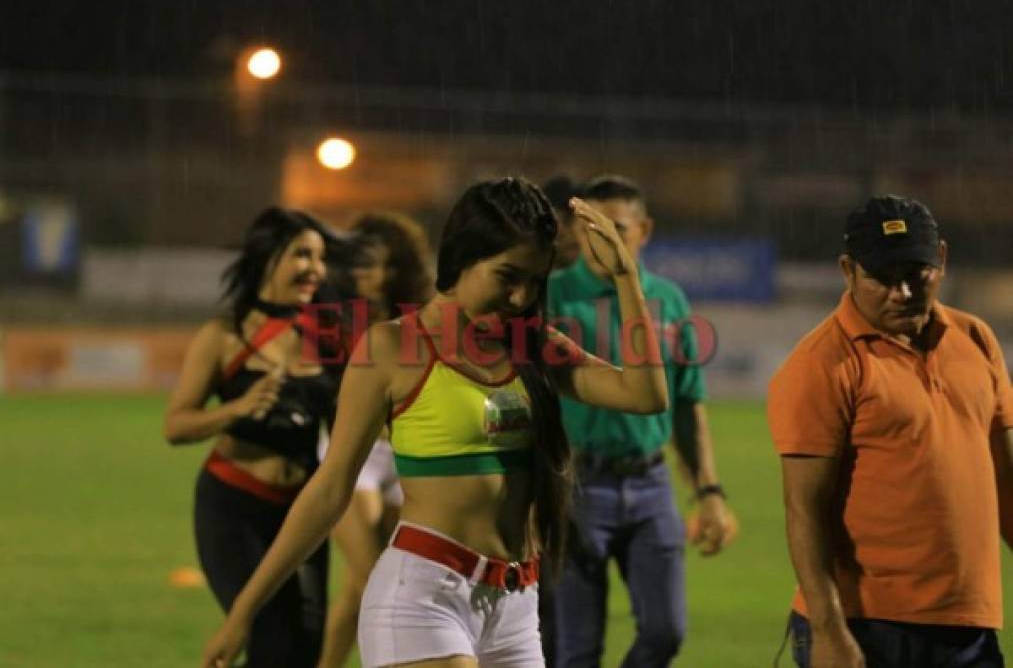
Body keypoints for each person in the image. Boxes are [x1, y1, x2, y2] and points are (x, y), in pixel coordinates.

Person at [200, 176, 670, 668]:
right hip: (424, 601)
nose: (519, 297)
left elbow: (645, 394)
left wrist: (625, 279)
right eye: (507, 276)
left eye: (534, 282)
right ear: (463, 256)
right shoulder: (391, 348)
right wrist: (244, 614)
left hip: (514, 609)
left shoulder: (533, 344)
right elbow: (329, 489)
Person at [767, 195, 1013, 668]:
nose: (901, 293)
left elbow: (1008, 484)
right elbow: (805, 512)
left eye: (915, 274)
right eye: (882, 278)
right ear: (848, 270)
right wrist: (828, 629)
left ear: (940, 258)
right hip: (868, 625)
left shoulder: (976, 338)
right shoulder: (822, 365)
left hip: (970, 626)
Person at [547, 175, 734, 668]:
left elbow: (689, 404)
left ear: (644, 230)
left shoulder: (668, 299)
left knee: (666, 632)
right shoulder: (552, 295)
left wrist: (709, 492)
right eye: (592, 228)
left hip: (652, 484)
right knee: (575, 651)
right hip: (575, 485)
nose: (603, 241)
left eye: (617, 229)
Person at [164, 207, 350, 668]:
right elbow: (176, 425)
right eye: (302, 255)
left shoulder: (327, 337)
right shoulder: (225, 335)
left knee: (306, 648)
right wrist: (236, 409)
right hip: (234, 509)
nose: (316, 269)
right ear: (268, 258)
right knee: (269, 641)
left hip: (301, 514)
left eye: (320, 257)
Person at [319, 211, 436, 668]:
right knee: (377, 577)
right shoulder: (334, 319)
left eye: (382, 265)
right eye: (362, 264)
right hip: (352, 456)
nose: (369, 275)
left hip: (405, 459)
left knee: (356, 587)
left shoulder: (423, 321)